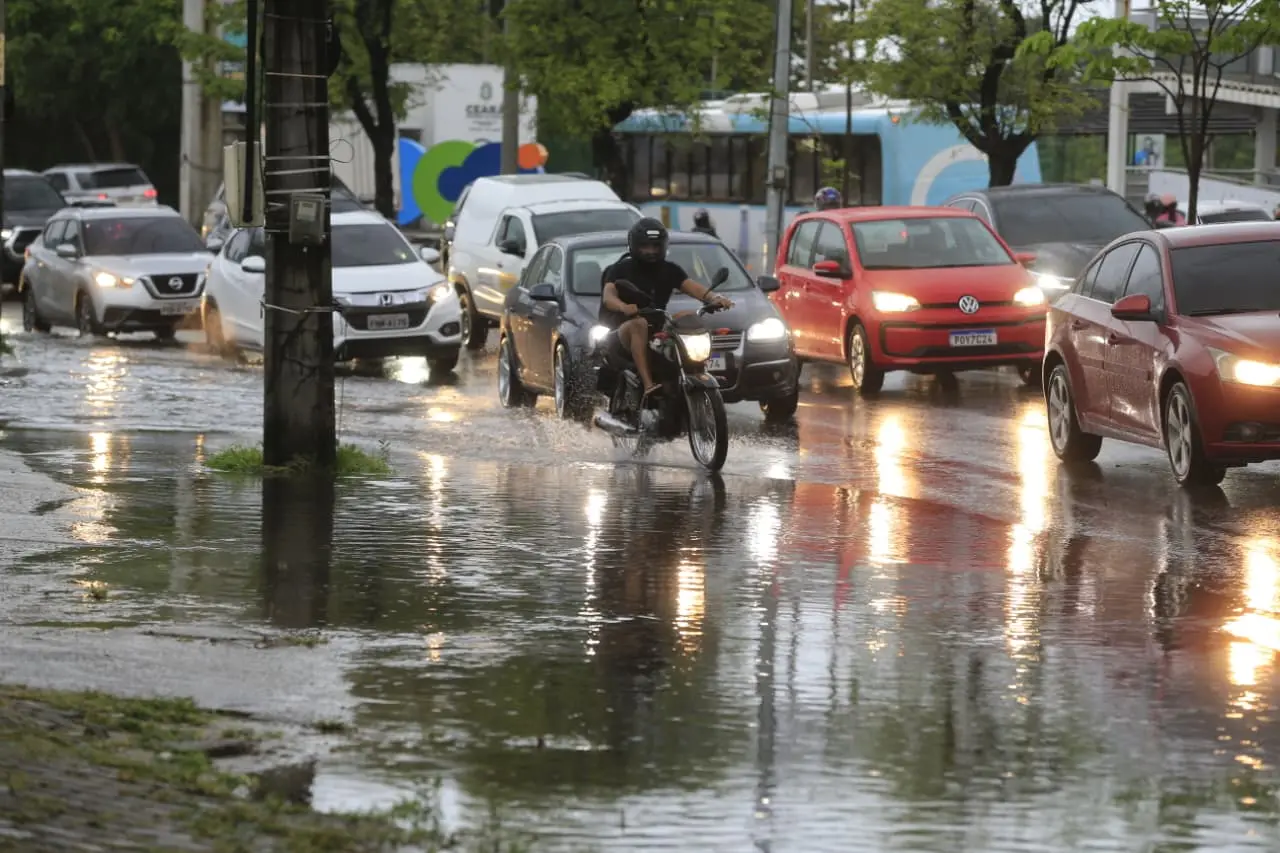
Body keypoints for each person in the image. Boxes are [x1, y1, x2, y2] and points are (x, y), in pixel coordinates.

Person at [600, 218, 733, 398]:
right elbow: (608, 296)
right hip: (623, 331)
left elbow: (694, 288)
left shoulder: (670, 270)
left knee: (685, 317)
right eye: (646, 247)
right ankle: (648, 385)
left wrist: (714, 298)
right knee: (638, 324)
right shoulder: (620, 269)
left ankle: (685, 375)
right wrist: (623, 307)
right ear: (634, 246)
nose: (651, 251)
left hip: (656, 328)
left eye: (655, 246)